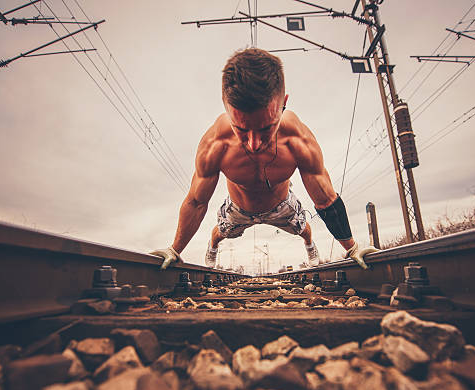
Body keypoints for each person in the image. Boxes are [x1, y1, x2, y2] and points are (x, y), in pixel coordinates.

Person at [151, 48, 377, 270]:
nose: (254, 144)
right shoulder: (215, 144)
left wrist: (352, 248)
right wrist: (174, 250)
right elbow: (197, 202)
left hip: (282, 205)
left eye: (266, 128)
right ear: (226, 108)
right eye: (241, 129)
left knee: (304, 229)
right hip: (238, 209)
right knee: (219, 233)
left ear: (283, 103)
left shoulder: (297, 140)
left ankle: (309, 245)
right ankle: (212, 246)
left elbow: (325, 200)